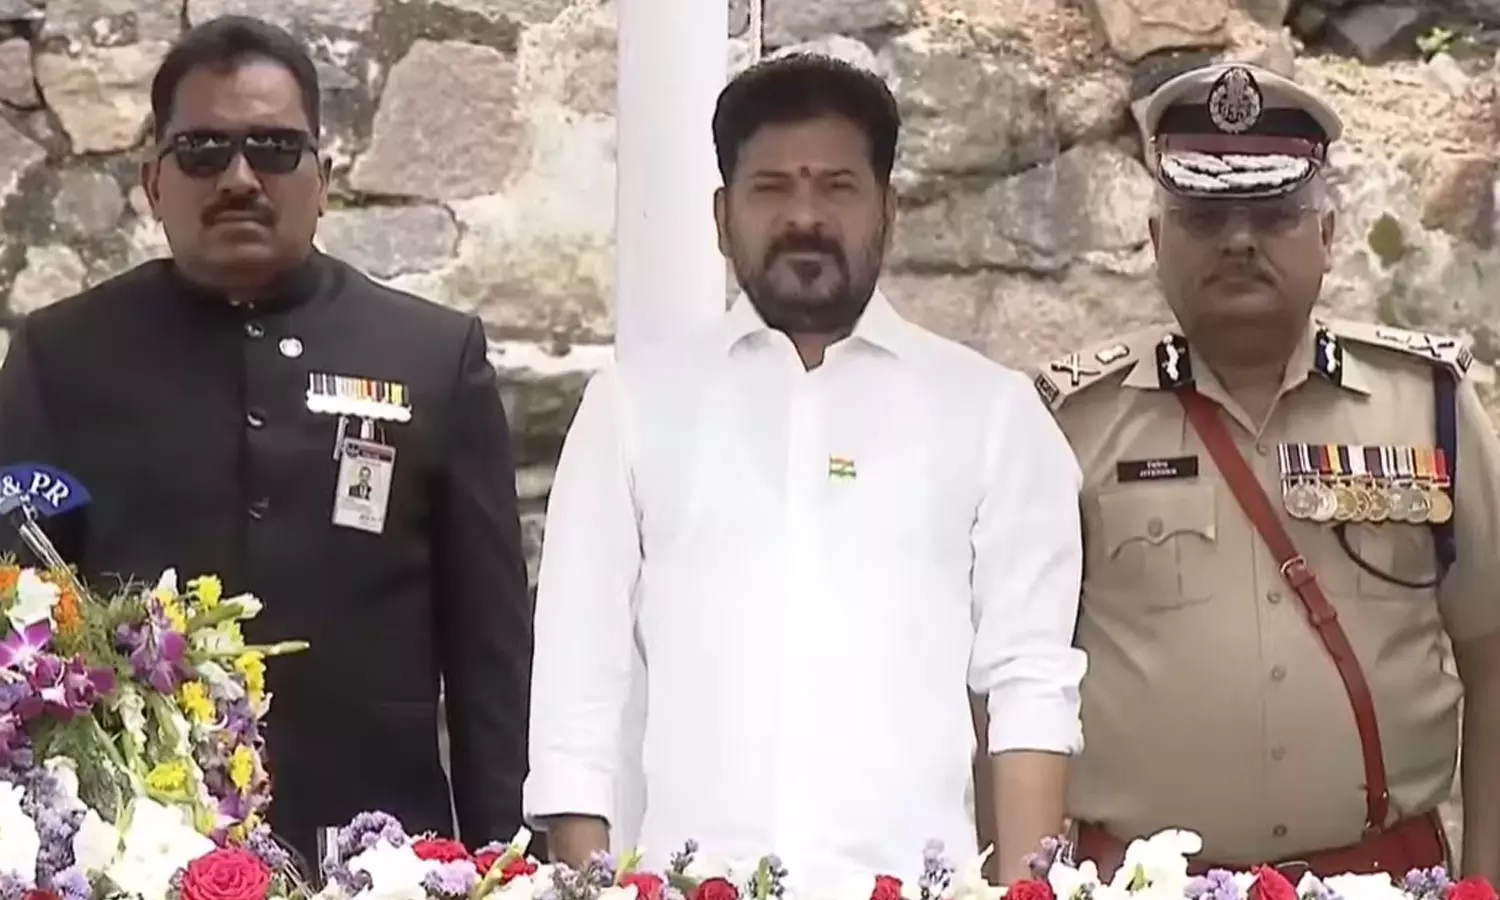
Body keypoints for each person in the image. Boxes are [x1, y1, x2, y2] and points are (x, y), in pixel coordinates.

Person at [524, 52, 1087, 890]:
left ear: (888, 211)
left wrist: (1027, 887)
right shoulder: (632, 408)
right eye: (771, 188)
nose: (804, 216)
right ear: (722, 218)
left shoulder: (992, 414)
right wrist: (589, 885)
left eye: (837, 187)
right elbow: (577, 696)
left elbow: (1031, 686)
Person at [0, 15, 533, 868]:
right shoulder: (61, 358)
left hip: (378, 856)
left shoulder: (432, 358)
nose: (240, 178)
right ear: (153, 183)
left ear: (323, 180)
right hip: (132, 852)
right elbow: (17, 623)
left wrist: (505, 859)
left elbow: (490, 656)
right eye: (203, 151)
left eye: (276, 149)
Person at [1033, 61, 1500, 881]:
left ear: (1328, 236)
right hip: (1146, 887)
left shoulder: (1428, 404)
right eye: (1204, 216)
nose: (1239, 241)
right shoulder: (1072, 424)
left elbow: (1492, 655)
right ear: (1156, 240)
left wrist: (1487, 880)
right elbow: (1016, 683)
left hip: (1381, 881)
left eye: (1276, 214)